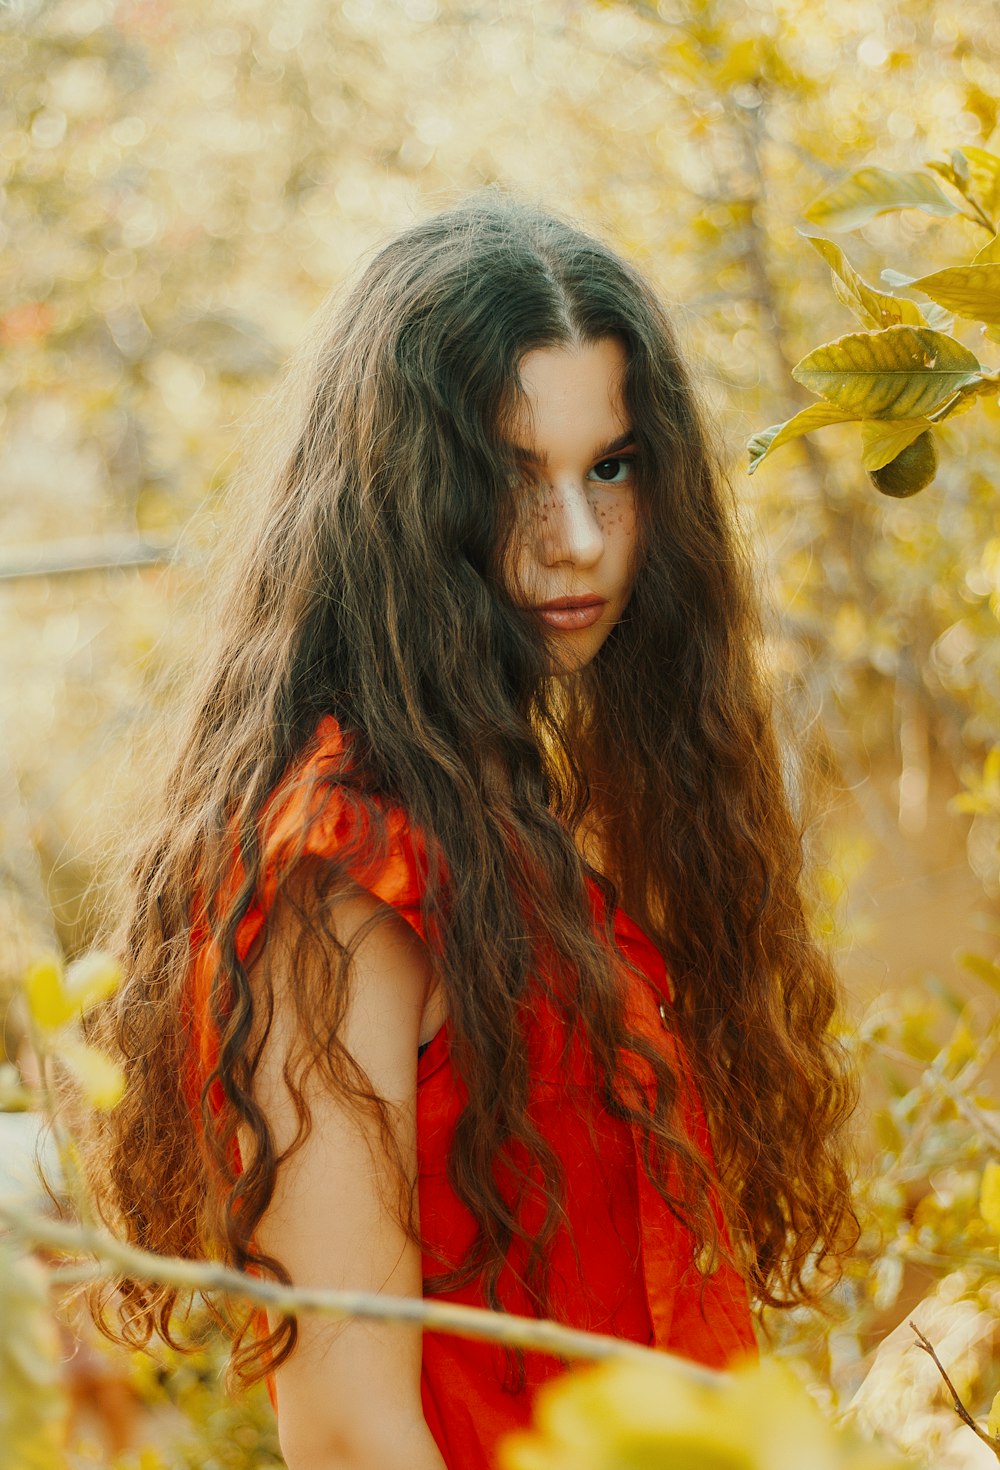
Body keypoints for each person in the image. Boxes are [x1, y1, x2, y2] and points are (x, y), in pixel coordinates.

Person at [85, 195, 858, 1470]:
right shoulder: (341, 867)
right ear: (400, 508)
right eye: (510, 479)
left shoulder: (533, 825)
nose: (578, 542)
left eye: (610, 468)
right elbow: (345, 1430)